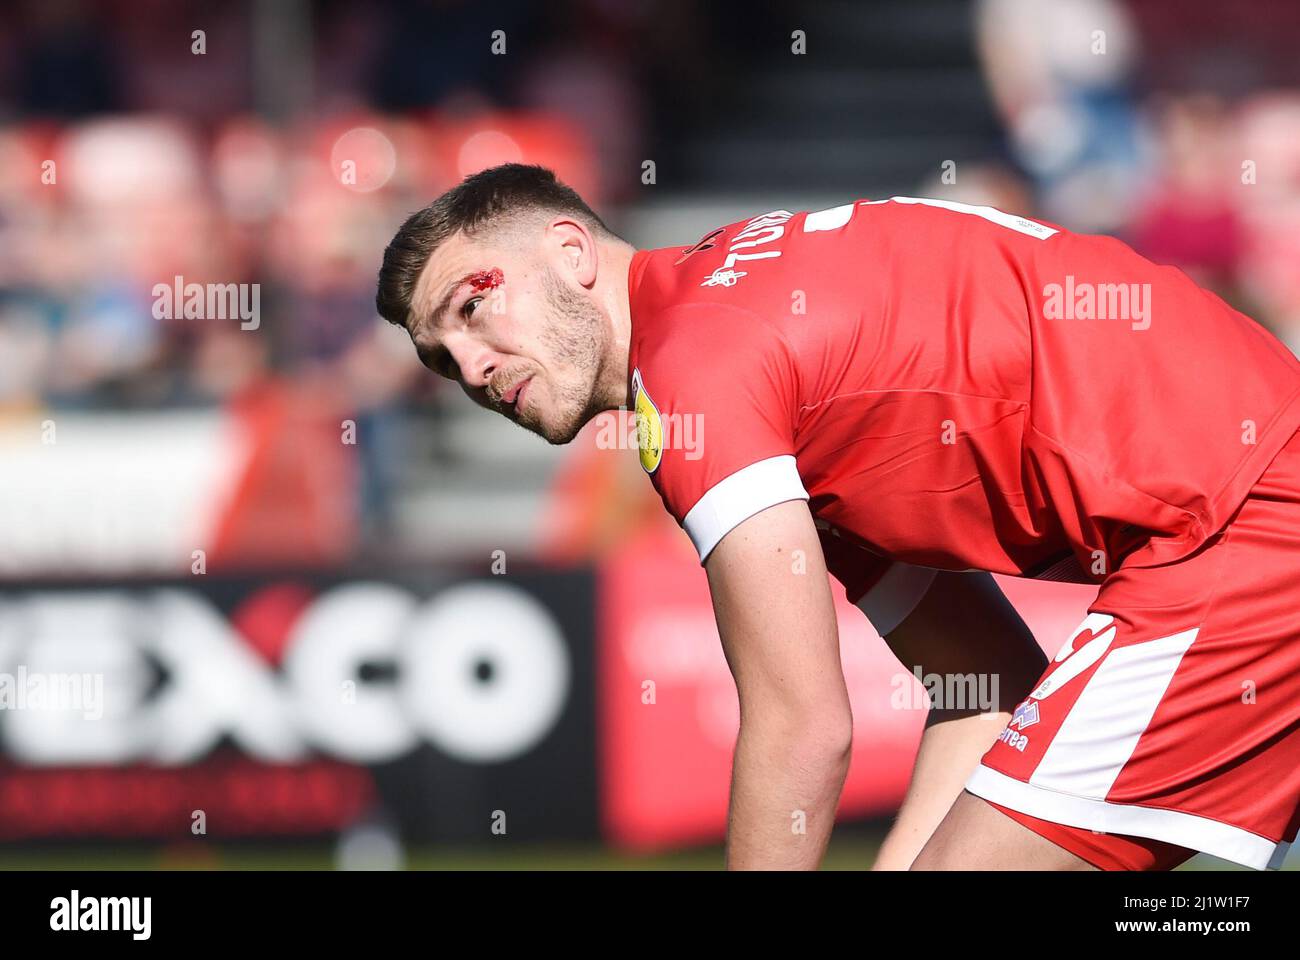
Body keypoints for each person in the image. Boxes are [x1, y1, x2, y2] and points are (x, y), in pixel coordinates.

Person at [376, 163, 1300, 871]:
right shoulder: (752, 343)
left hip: (1241, 530)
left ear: (572, 253)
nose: (470, 367)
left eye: (473, 306)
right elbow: (982, 678)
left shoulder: (694, 375)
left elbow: (802, 726)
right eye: (439, 357)